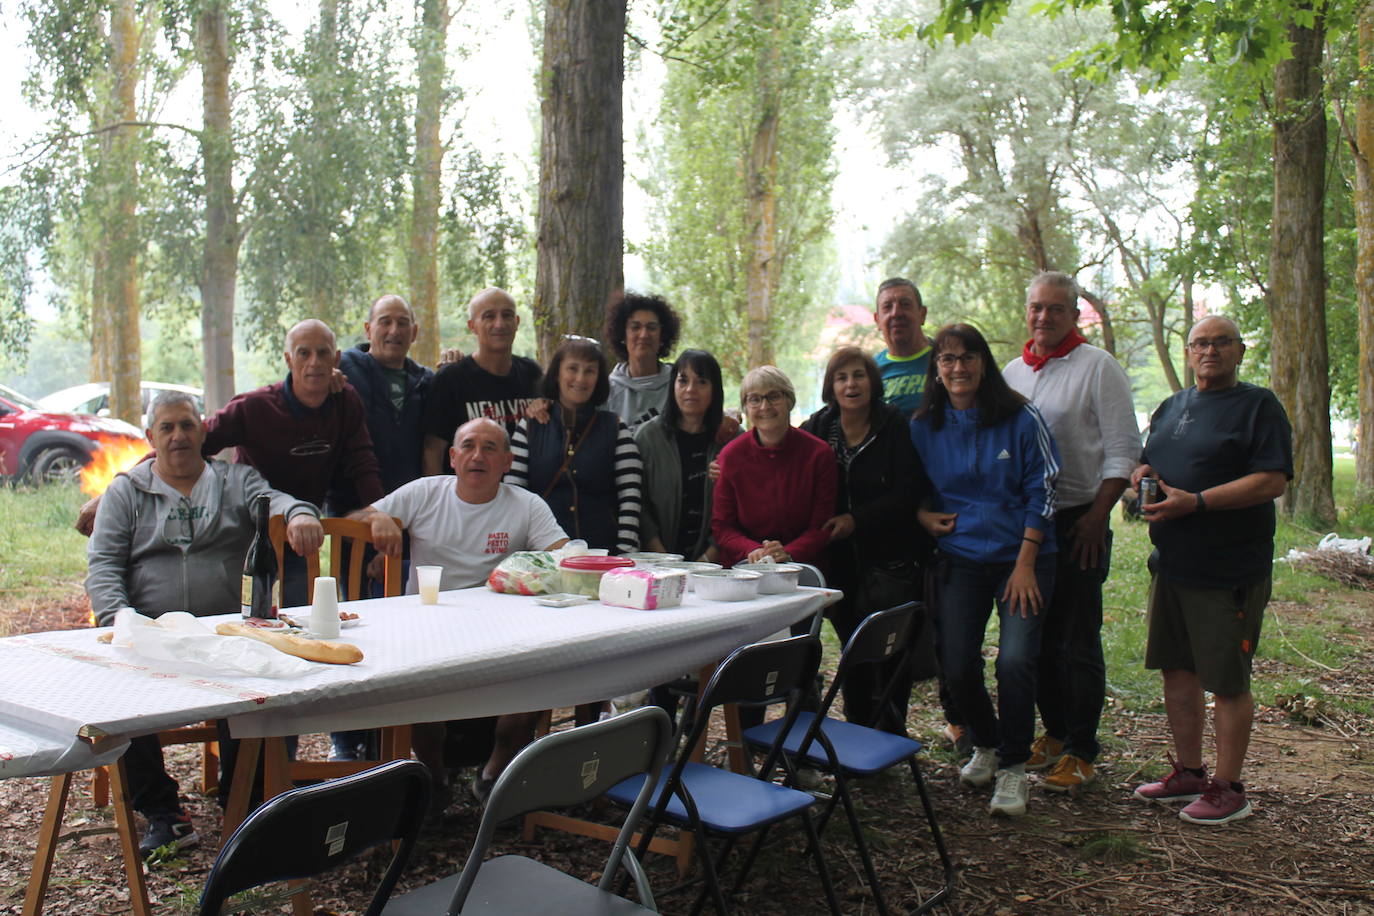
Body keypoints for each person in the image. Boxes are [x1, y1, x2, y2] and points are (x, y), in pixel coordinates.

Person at [84, 392, 322, 857]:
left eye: (187, 425)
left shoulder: (235, 480)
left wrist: (299, 513)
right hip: (150, 634)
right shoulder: (126, 491)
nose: (178, 436)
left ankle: (246, 801)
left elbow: (275, 500)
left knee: (277, 679)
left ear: (204, 431)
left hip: (227, 634)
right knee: (114, 693)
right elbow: (104, 565)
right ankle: (163, 812)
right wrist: (121, 622)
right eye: (167, 428)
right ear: (151, 437)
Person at [76, 319, 383, 608]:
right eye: (304, 353)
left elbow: (363, 463)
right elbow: (186, 444)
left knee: (297, 620)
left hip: (298, 525)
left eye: (323, 353)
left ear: (336, 358)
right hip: (253, 531)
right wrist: (118, 489)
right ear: (289, 359)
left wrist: (375, 511)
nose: (314, 362)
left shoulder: (345, 401)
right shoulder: (255, 408)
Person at [351, 417, 569, 809]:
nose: (477, 456)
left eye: (490, 448)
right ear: (452, 457)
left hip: (503, 629)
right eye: (468, 446)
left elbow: (564, 556)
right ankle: (435, 780)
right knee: (415, 691)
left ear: (507, 461)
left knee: (541, 676)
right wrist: (378, 517)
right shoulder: (424, 493)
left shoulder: (526, 504)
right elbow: (354, 520)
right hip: (426, 627)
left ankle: (493, 777)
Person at [1131, 315, 1291, 826]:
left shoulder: (1258, 406)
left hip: (1228, 569)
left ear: (1240, 351)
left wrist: (1197, 502)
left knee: (1226, 681)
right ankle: (1190, 773)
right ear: (1188, 352)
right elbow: (1149, 461)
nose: (1209, 351)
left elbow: (1271, 480)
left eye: (1221, 342)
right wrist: (1143, 474)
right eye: (1200, 343)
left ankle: (1229, 788)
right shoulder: (1172, 406)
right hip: (1172, 565)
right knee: (1177, 670)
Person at [910, 323, 1059, 818]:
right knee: (956, 663)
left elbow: (1045, 489)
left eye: (968, 357)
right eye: (948, 359)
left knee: (1015, 660)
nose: (958, 368)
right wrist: (920, 515)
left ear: (984, 363)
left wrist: (1025, 564)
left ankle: (1014, 766)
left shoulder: (1020, 416)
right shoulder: (924, 425)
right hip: (962, 556)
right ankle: (987, 743)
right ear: (936, 368)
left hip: (1025, 557)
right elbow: (908, 486)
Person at [1003, 272, 1139, 793]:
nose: (1044, 317)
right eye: (1037, 307)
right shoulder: (1013, 373)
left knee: (1077, 638)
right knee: (1035, 635)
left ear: (1074, 315)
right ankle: (1055, 732)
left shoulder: (1098, 367)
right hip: (1029, 526)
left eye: (1056, 309)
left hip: (1081, 519)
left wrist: (1097, 516)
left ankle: (1082, 749)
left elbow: (1123, 450)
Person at [802, 346, 932, 734]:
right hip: (840, 561)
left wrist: (857, 520)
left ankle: (891, 735)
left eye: (858, 375)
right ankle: (859, 733)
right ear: (830, 386)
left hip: (890, 559)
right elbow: (781, 450)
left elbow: (908, 490)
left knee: (890, 651)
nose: (851, 384)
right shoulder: (818, 426)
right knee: (853, 652)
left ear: (873, 382)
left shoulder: (892, 425)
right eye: (841, 377)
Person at [330, 293, 434, 760]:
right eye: (385, 322)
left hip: (410, 523)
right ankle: (346, 742)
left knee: (402, 631)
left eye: (403, 323)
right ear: (368, 329)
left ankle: (391, 742)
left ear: (415, 332)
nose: (394, 331)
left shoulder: (425, 382)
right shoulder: (346, 372)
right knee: (352, 629)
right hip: (353, 519)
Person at [506, 336, 642, 555]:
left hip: (603, 553)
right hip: (543, 553)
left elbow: (631, 497)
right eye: (572, 368)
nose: (580, 378)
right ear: (557, 373)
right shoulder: (530, 426)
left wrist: (625, 552)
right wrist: (518, 551)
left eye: (590, 371)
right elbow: (515, 494)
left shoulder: (616, 428)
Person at [713, 365, 837, 569]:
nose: (765, 406)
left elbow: (823, 526)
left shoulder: (819, 454)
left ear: (790, 401)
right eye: (755, 399)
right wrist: (754, 550)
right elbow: (722, 527)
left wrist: (788, 553)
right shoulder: (731, 456)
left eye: (773, 396)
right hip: (744, 567)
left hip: (803, 568)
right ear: (746, 408)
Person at [423, 287, 542, 473]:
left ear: (517, 322)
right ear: (472, 326)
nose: (499, 324)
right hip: (468, 488)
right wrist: (436, 490)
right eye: (489, 316)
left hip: (524, 488)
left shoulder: (532, 374)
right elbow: (433, 451)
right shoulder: (450, 380)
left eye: (507, 315)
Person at [635, 349, 738, 561]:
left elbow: (739, 507)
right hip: (655, 562)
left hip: (717, 566)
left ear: (715, 389)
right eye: (683, 380)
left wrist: (707, 559)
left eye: (702, 382)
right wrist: (662, 558)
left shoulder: (732, 439)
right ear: (672, 385)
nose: (691, 389)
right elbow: (638, 503)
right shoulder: (648, 437)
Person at [603, 291, 682, 432]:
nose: (644, 335)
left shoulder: (679, 385)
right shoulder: (606, 391)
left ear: (662, 336)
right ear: (623, 335)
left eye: (651, 328)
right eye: (635, 327)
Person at [873, 277, 933, 417]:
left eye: (905, 305)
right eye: (887, 307)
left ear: (922, 314)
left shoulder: (947, 360)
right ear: (877, 320)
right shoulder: (870, 372)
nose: (896, 313)